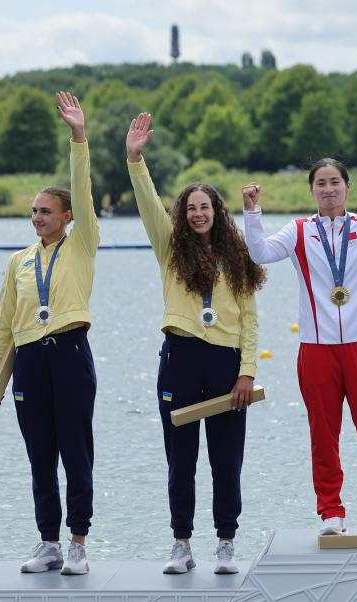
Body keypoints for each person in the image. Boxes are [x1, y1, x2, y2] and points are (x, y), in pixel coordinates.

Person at [241, 161, 357, 536]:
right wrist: (253, 213)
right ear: (312, 190)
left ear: (347, 187)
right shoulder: (299, 231)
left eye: (334, 182)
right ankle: (331, 513)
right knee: (323, 436)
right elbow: (260, 253)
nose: (328, 189)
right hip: (317, 349)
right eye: (320, 183)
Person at [126, 112, 265, 574]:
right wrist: (136, 160)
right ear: (182, 216)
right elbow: (148, 203)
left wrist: (247, 372)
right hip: (180, 358)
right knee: (180, 460)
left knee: (226, 461)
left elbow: (250, 319)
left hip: (226, 364)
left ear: (217, 212)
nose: (198, 214)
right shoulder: (170, 249)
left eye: (205, 207)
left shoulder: (236, 255)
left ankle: (226, 543)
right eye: (191, 209)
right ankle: (182, 544)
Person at [0, 92, 99, 575]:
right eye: (33, 211)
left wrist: (78, 136)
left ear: (67, 216)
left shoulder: (83, 243)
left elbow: (82, 189)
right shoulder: (19, 261)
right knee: (40, 456)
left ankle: (78, 544)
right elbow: (5, 320)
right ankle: (48, 543)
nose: (37, 218)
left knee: (76, 452)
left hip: (70, 353)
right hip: (29, 361)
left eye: (46, 211)